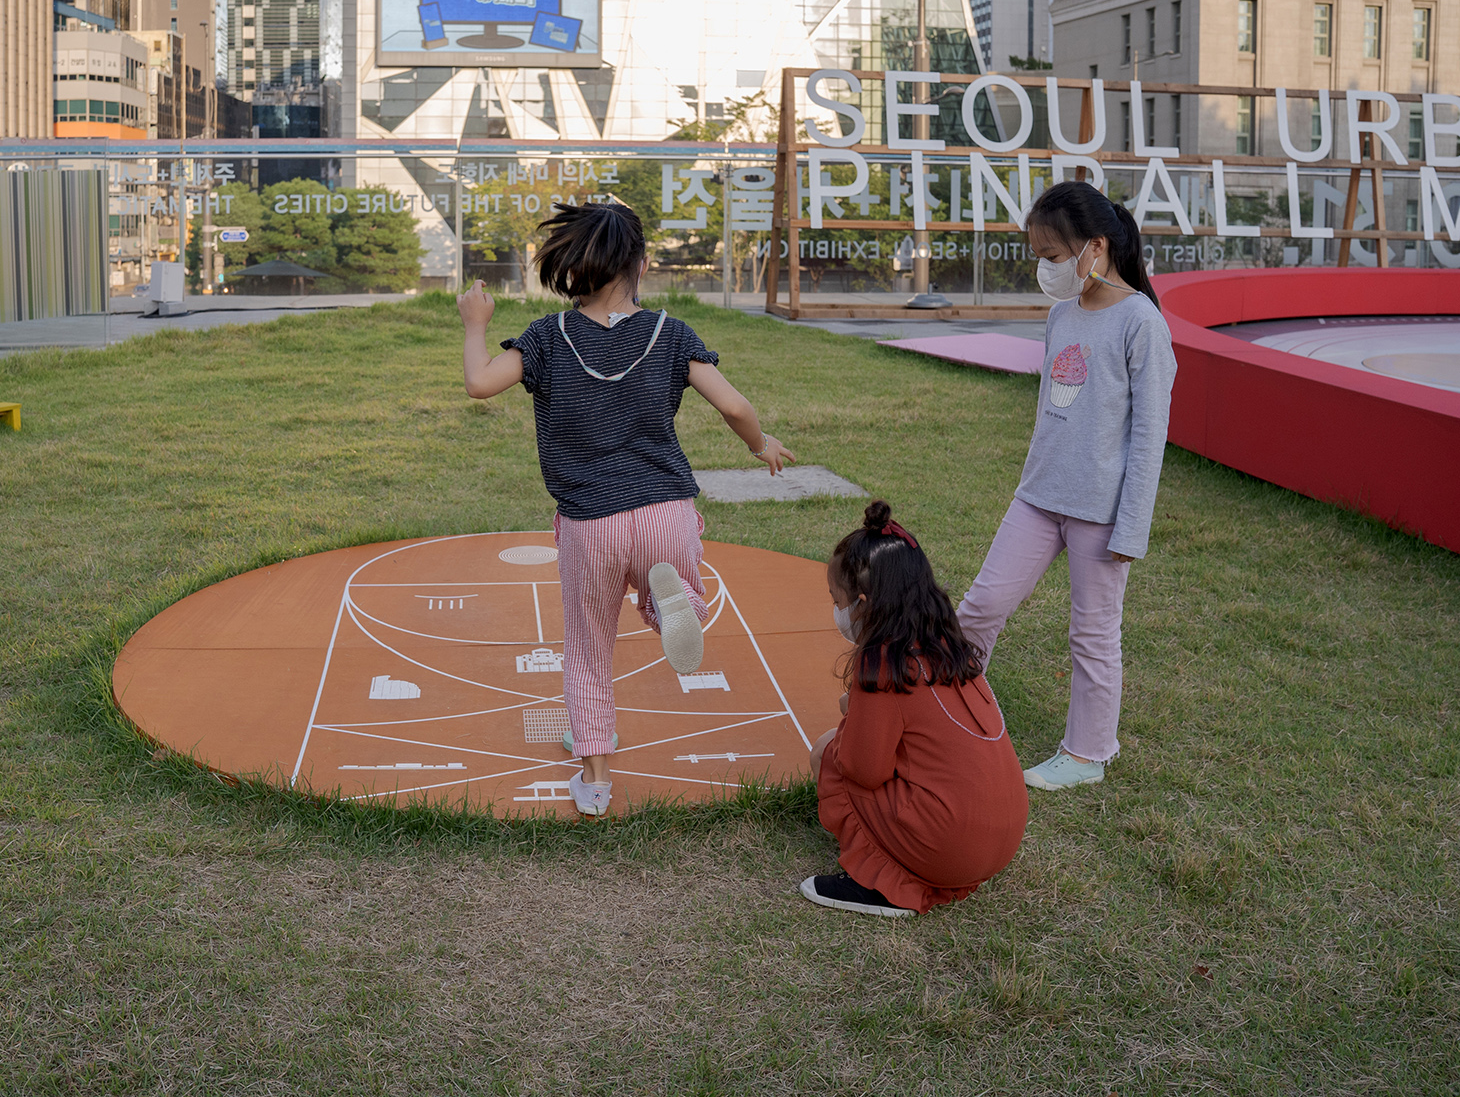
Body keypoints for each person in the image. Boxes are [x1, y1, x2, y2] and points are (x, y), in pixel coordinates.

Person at [457, 201, 795, 818]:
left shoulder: (546, 338)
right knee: (678, 591)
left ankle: (595, 775)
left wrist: (476, 321)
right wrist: (759, 444)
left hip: (592, 521)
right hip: (666, 509)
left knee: (589, 647)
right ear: (640, 265)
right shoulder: (671, 333)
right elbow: (734, 404)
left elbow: (480, 383)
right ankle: (675, 608)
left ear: (572, 266)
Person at [955, 180, 1177, 792]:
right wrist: (1033, 480)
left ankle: (1087, 755)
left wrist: (1130, 528)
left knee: (1093, 632)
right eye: (1039, 258)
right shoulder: (1061, 316)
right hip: (1037, 498)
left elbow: (1148, 440)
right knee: (980, 607)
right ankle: (947, 710)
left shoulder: (1142, 325)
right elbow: (1054, 413)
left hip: (1100, 514)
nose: (1044, 270)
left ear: (1094, 249)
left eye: (1053, 257)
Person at [803, 501, 1028, 918]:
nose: (836, 611)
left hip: (952, 847)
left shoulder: (884, 663)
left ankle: (883, 886)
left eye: (837, 600)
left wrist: (851, 716)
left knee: (826, 753)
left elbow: (862, 768)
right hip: (1004, 837)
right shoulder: (950, 647)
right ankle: (919, 856)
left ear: (864, 604)